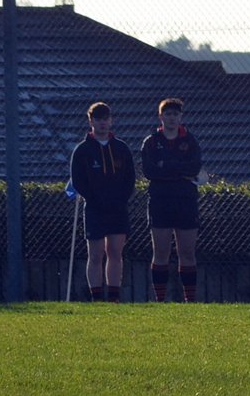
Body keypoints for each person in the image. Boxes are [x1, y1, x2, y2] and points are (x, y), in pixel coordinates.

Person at [69, 102, 137, 303]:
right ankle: (97, 298)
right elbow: (78, 181)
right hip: (95, 209)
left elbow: (130, 178)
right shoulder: (82, 150)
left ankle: (114, 298)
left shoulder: (121, 148)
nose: (102, 123)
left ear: (111, 121)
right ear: (91, 122)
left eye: (106, 119)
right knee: (96, 254)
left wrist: (120, 199)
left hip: (117, 209)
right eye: (98, 119)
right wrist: (94, 199)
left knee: (115, 252)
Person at [139, 98, 203, 302]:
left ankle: (190, 300)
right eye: (168, 114)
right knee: (161, 252)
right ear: (161, 117)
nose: (172, 118)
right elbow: (149, 172)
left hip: (185, 200)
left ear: (181, 117)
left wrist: (166, 166)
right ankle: (160, 300)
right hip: (160, 201)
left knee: (187, 252)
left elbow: (194, 168)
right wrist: (178, 169)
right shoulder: (151, 142)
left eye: (176, 114)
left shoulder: (190, 141)